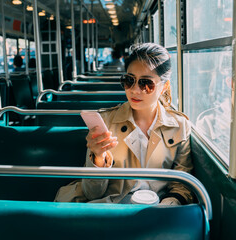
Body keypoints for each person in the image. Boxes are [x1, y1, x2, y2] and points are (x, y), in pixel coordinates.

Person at [55, 43, 193, 205]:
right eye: (129, 81)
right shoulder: (105, 122)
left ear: (164, 87)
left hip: (159, 208)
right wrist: (98, 159)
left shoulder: (179, 126)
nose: (135, 90)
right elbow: (92, 193)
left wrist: (171, 202)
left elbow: (182, 183)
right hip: (111, 207)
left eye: (146, 84)